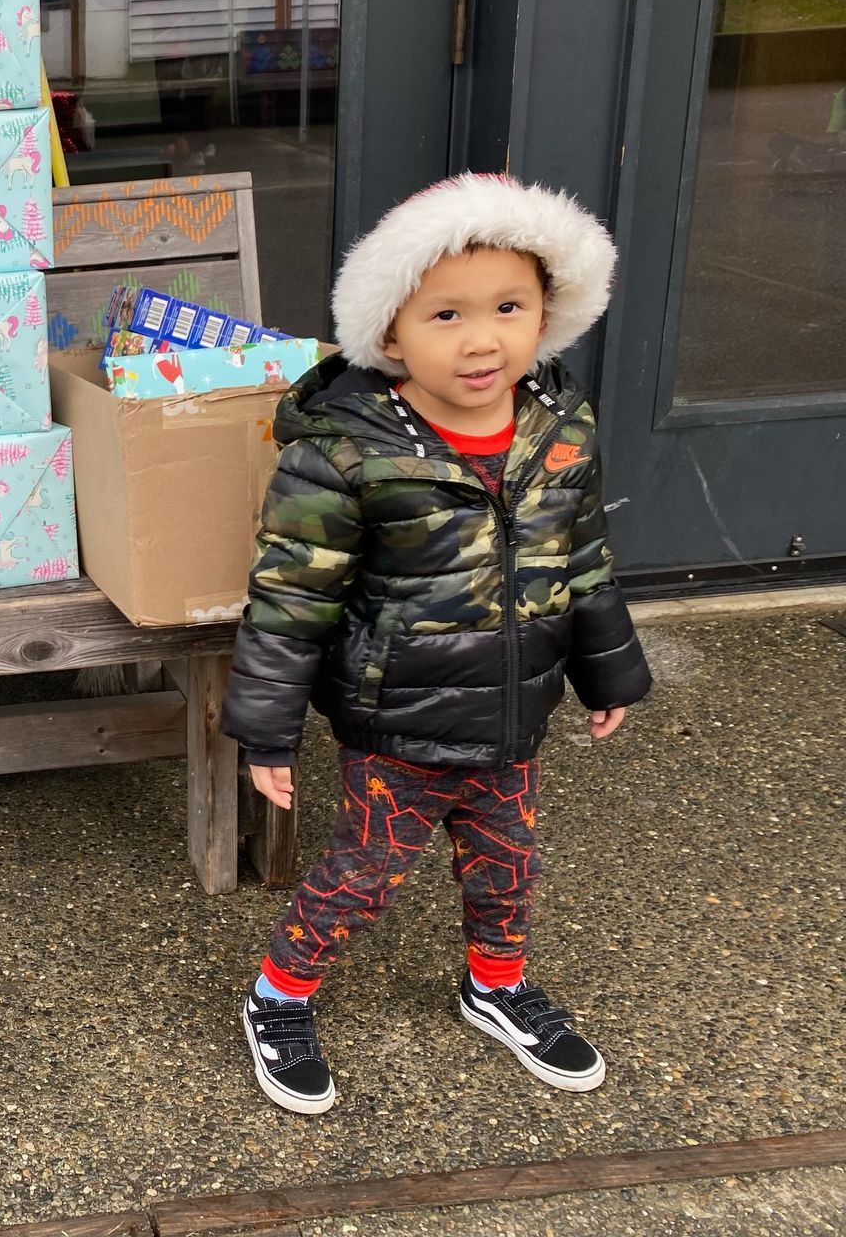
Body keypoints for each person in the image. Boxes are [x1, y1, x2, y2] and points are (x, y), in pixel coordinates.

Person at [224, 172, 653, 1117]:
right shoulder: (343, 453)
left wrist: (607, 666)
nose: (481, 338)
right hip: (399, 724)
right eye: (446, 314)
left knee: (508, 864)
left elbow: (582, 557)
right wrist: (267, 731)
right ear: (389, 336)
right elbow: (291, 597)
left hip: (515, 713)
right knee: (362, 875)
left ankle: (495, 986)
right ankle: (278, 997)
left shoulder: (557, 427)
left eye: (509, 307)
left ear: (549, 313)